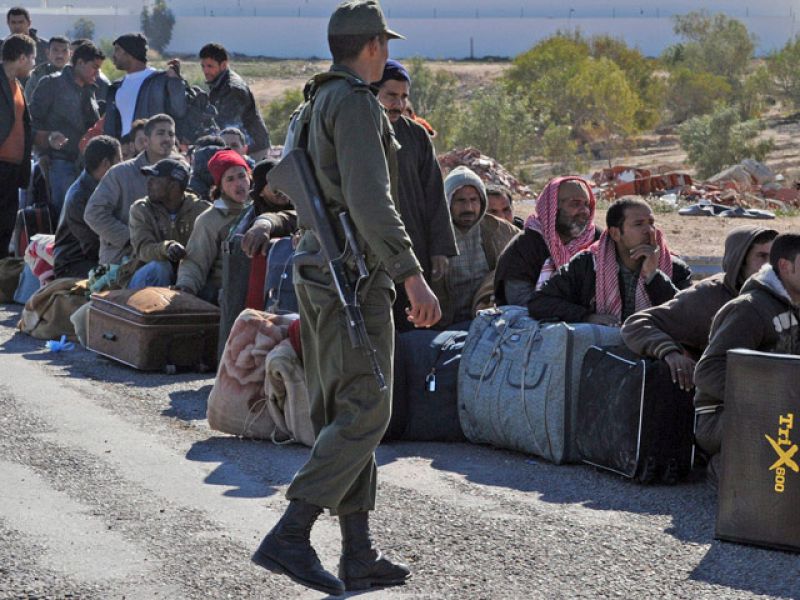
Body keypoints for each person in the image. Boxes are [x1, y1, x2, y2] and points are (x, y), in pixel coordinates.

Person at [251, 1, 441, 595]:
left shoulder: (314, 101)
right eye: (384, 44)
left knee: (347, 408)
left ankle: (358, 552)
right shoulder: (356, 103)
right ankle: (291, 533)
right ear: (374, 46)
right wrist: (410, 274)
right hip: (352, 275)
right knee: (367, 410)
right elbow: (370, 200)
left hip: (322, 269)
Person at [694, 233, 800, 483]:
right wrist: (768, 398)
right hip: (724, 416)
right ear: (785, 266)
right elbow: (708, 371)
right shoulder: (749, 308)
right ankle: (728, 469)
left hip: (786, 412)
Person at [622, 226, 778, 391]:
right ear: (740, 260)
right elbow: (636, 324)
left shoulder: (784, 296)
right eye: (761, 256)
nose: (770, 265)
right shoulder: (708, 296)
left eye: (774, 256)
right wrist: (670, 352)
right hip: (722, 392)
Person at [374, 58, 456, 331]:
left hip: (414, 246)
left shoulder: (417, 136)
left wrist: (440, 250)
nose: (398, 104)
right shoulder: (360, 134)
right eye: (391, 96)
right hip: (373, 249)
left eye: (403, 97)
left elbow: (435, 195)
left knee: (413, 323)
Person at [528, 197, 692, 325]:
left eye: (651, 223)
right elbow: (540, 302)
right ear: (615, 233)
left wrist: (654, 276)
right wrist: (587, 316)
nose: (649, 230)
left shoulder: (676, 268)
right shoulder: (588, 264)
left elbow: (688, 317)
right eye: (638, 224)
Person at [85, 114, 179, 265]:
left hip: (168, 256)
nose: (167, 138)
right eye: (161, 133)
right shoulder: (121, 173)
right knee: (159, 269)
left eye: (171, 134)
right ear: (146, 141)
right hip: (123, 260)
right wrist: (132, 239)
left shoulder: (181, 174)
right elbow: (93, 213)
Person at [432, 165, 518, 328]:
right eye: (461, 201)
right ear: (448, 201)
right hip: (442, 325)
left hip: (488, 322)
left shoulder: (500, 229)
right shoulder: (433, 234)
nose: (469, 208)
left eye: (473, 200)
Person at [494, 177, 600, 307]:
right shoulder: (526, 245)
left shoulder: (598, 240)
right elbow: (520, 300)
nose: (584, 211)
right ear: (553, 207)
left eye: (587, 204)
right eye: (575, 204)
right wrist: (577, 314)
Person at [30, 41, 104, 219]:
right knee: (63, 218)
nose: (97, 73)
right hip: (60, 163)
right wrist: (42, 153)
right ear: (80, 63)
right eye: (94, 67)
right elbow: (32, 121)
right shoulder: (51, 84)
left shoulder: (90, 90)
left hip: (86, 166)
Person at [174, 149, 250, 303]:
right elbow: (195, 262)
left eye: (242, 176)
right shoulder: (209, 220)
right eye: (230, 179)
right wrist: (185, 288)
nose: (238, 184)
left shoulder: (260, 209)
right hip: (227, 295)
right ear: (220, 187)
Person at [128, 158, 209, 289]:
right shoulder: (141, 209)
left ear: (173, 186)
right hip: (144, 277)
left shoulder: (201, 210)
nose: (149, 183)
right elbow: (143, 249)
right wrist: (166, 248)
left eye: (155, 180)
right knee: (161, 267)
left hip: (187, 277)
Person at [53, 135, 121, 278]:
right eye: (119, 161)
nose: (122, 166)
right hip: (74, 263)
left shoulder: (105, 186)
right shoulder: (79, 197)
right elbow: (92, 245)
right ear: (106, 163)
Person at [103, 33, 186, 140]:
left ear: (130, 52)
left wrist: (175, 81)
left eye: (117, 50)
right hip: (126, 149)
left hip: (154, 148)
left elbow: (179, 111)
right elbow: (111, 127)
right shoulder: (116, 87)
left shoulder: (160, 81)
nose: (113, 55)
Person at [199, 42, 270, 160]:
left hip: (251, 150)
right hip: (240, 146)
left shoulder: (233, 89)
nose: (205, 71)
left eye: (210, 66)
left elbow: (229, 127)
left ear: (223, 65)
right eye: (203, 66)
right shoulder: (219, 83)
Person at [0, 34, 35, 259]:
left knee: (5, 225)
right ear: (22, 58)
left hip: (13, 169)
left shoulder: (17, 85)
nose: (33, 64)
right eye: (32, 58)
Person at [239, 158, 298, 257]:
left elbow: (291, 218)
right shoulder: (248, 218)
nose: (282, 189)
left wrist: (265, 223)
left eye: (283, 181)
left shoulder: (301, 203)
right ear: (261, 192)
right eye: (274, 185)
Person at [24, 35, 70, 102]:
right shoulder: (38, 75)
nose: (60, 55)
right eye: (55, 50)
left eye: (64, 51)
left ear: (70, 54)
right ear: (48, 53)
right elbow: (28, 101)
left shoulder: (77, 74)